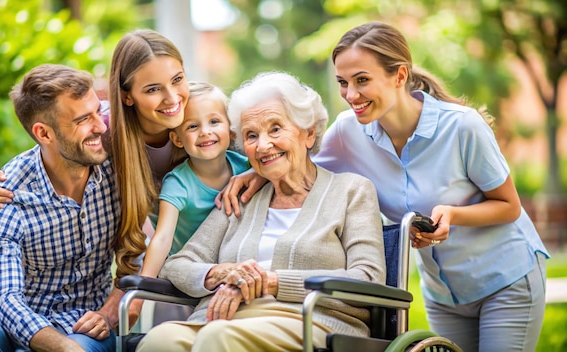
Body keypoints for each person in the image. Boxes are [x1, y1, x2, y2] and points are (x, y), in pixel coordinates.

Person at [219, 22, 550, 352]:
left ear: (400, 76)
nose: (351, 95)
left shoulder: (462, 127)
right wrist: (260, 173)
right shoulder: (348, 132)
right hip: (443, 292)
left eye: (362, 80)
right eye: (343, 83)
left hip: (506, 279)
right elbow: (297, 158)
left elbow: (509, 207)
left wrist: (452, 214)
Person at [135, 71, 386, 352]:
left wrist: (272, 281)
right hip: (221, 318)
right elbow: (178, 264)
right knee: (159, 341)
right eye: (251, 135)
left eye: (275, 129)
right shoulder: (241, 195)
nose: (263, 145)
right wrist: (222, 273)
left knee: (219, 338)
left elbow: (368, 277)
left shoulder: (351, 191)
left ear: (309, 132)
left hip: (310, 321)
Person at [0, 64, 122, 352]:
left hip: (85, 323)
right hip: (14, 325)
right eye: (83, 119)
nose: (101, 125)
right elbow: (4, 299)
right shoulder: (5, 194)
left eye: (99, 111)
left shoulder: (117, 167)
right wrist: (64, 348)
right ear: (44, 134)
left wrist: (108, 313)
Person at [140, 81, 249, 278]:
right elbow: (163, 238)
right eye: (192, 126)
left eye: (214, 121)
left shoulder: (246, 167)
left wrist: (254, 174)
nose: (205, 131)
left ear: (231, 129)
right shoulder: (178, 183)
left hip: (233, 264)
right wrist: (141, 288)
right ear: (177, 139)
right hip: (188, 270)